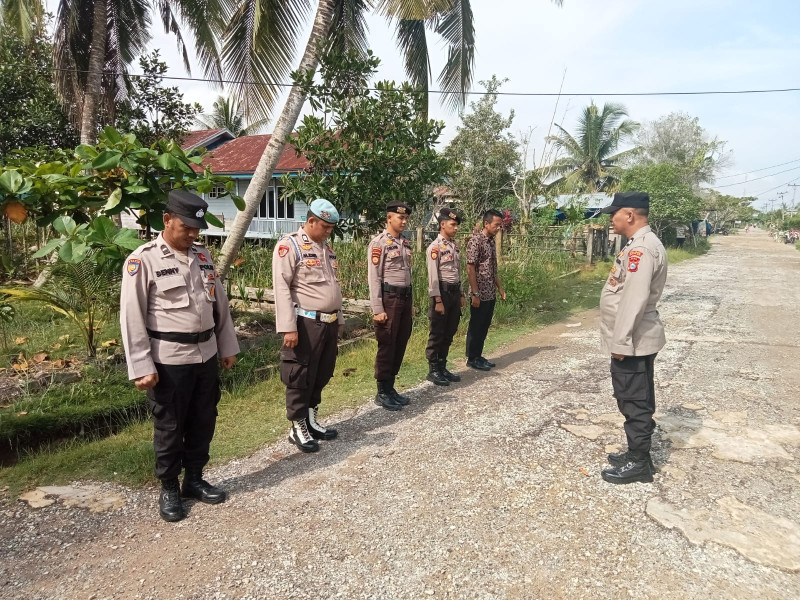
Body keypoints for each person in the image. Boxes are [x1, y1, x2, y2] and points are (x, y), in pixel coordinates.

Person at [120, 189, 240, 522]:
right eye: (186, 227)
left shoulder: (202, 257)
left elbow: (220, 305)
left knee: (204, 418)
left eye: (196, 229)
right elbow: (131, 317)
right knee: (170, 426)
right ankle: (170, 487)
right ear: (167, 219)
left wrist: (227, 346)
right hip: (168, 359)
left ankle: (195, 479)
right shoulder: (142, 260)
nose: (192, 234)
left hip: (206, 355)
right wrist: (142, 366)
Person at [598, 191, 668, 485]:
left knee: (634, 400)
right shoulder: (637, 245)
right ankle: (637, 453)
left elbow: (634, 299)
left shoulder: (641, 249)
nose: (611, 219)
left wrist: (621, 342)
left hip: (633, 341)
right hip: (634, 340)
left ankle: (639, 463)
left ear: (629, 215)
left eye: (614, 213)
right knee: (633, 397)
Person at [272, 199, 343, 453]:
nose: (328, 232)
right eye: (324, 226)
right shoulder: (290, 246)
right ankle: (297, 426)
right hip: (305, 323)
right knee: (300, 375)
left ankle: (311, 420)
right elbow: (281, 287)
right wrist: (288, 327)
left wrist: (340, 317)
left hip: (329, 322)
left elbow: (334, 287)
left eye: (330, 228)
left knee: (322, 373)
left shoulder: (326, 249)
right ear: (311, 221)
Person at [367, 201, 414, 410]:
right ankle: (382, 391)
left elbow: (408, 275)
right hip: (389, 299)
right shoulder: (379, 243)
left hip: (404, 299)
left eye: (406, 218)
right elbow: (374, 278)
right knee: (387, 344)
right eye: (400, 218)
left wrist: (411, 302)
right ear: (389, 218)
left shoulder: (405, 243)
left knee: (400, 341)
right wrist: (378, 309)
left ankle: (391, 386)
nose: (403, 221)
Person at [425, 207, 466, 386]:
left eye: (457, 225)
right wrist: (437, 300)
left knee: (450, 330)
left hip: (454, 292)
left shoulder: (454, 247)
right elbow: (433, 277)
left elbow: (458, 272)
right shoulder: (435, 247)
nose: (456, 228)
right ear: (442, 225)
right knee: (437, 332)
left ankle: (442, 366)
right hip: (441, 292)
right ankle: (433, 369)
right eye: (453, 224)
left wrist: (462, 293)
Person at [465, 209, 506, 371]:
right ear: (486, 223)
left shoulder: (491, 241)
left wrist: (500, 288)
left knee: (484, 325)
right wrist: (475, 293)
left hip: (490, 292)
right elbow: (470, 268)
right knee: (476, 326)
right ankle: (472, 358)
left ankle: (478, 355)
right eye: (496, 225)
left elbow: (492, 269)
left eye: (500, 225)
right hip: (479, 292)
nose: (498, 228)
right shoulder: (476, 241)